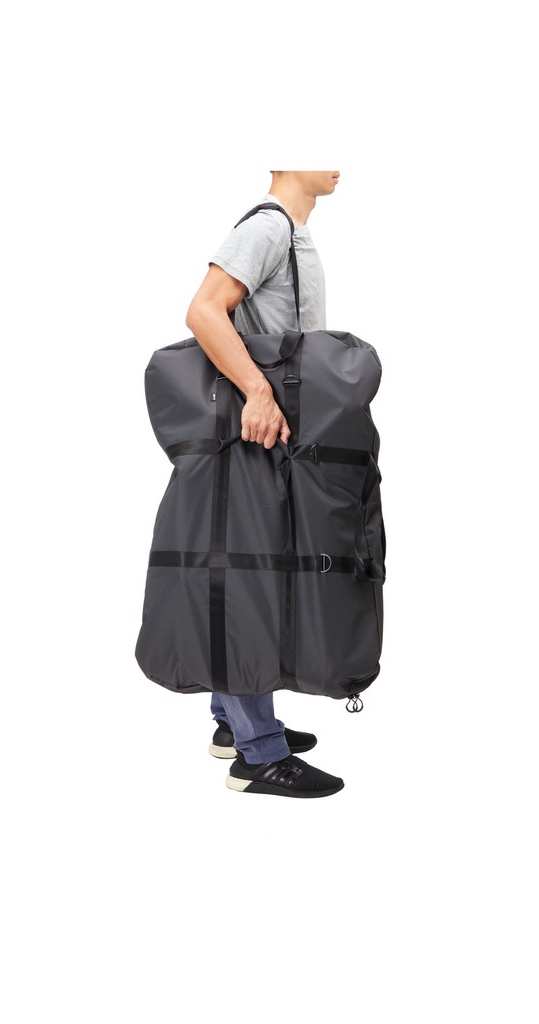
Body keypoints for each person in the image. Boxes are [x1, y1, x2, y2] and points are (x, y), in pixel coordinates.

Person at [184, 170, 346, 798]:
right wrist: (257, 390)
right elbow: (204, 310)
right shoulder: (269, 227)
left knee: (248, 574)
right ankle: (258, 756)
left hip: (265, 434)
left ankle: (234, 724)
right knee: (248, 583)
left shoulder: (288, 231)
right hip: (255, 432)